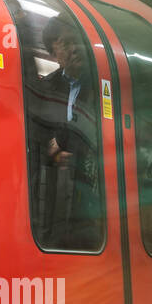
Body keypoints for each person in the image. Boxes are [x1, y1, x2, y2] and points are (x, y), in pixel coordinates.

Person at [28, 16, 101, 249]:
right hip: (51, 187)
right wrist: (54, 149)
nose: (75, 48)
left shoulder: (101, 85)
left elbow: (97, 129)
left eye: (78, 41)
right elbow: (35, 133)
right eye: (66, 43)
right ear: (53, 52)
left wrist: (62, 140)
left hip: (91, 185)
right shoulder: (45, 87)